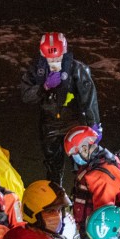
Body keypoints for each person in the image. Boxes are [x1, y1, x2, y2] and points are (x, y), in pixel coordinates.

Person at [20, 32, 101, 185]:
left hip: (74, 124)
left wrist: (94, 125)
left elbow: (89, 99)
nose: (54, 62)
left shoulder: (77, 69)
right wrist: (44, 87)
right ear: (42, 55)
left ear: (64, 52)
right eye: (50, 59)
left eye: (58, 58)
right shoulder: (36, 71)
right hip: (49, 125)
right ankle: (56, 200)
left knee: (82, 165)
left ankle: (83, 198)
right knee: (53, 167)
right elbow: (25, 96)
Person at [62, 124, 120, 239]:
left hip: (99, 236)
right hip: (93, 229)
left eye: (74, 154)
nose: (74, 158)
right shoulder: (101, 162)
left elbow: (104, 218)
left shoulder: (101, 176)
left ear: (84, 148)